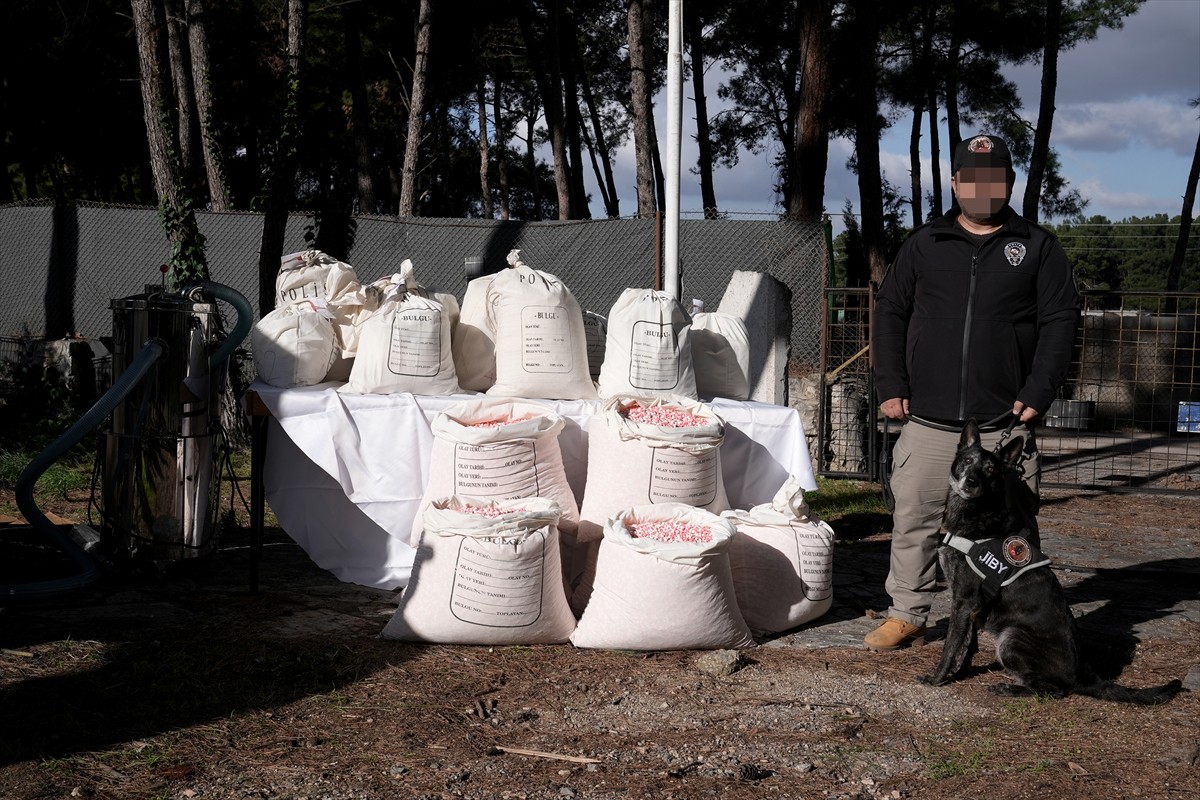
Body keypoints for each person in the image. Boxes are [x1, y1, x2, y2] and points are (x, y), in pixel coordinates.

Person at [864, 133, 1081, 652]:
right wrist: (890, 382)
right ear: (957, 183)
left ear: (1009, 182)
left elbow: (1060, 320)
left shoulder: (1037, 246)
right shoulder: (925, 244)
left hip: (1004, 422)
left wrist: (1040, 387)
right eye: (973, 179)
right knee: (914, 518)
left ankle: (1016, 616)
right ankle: (908, 614)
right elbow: (890, 312)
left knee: (1014, 528)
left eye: (995, 178)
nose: (983, 188)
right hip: (930, 418)